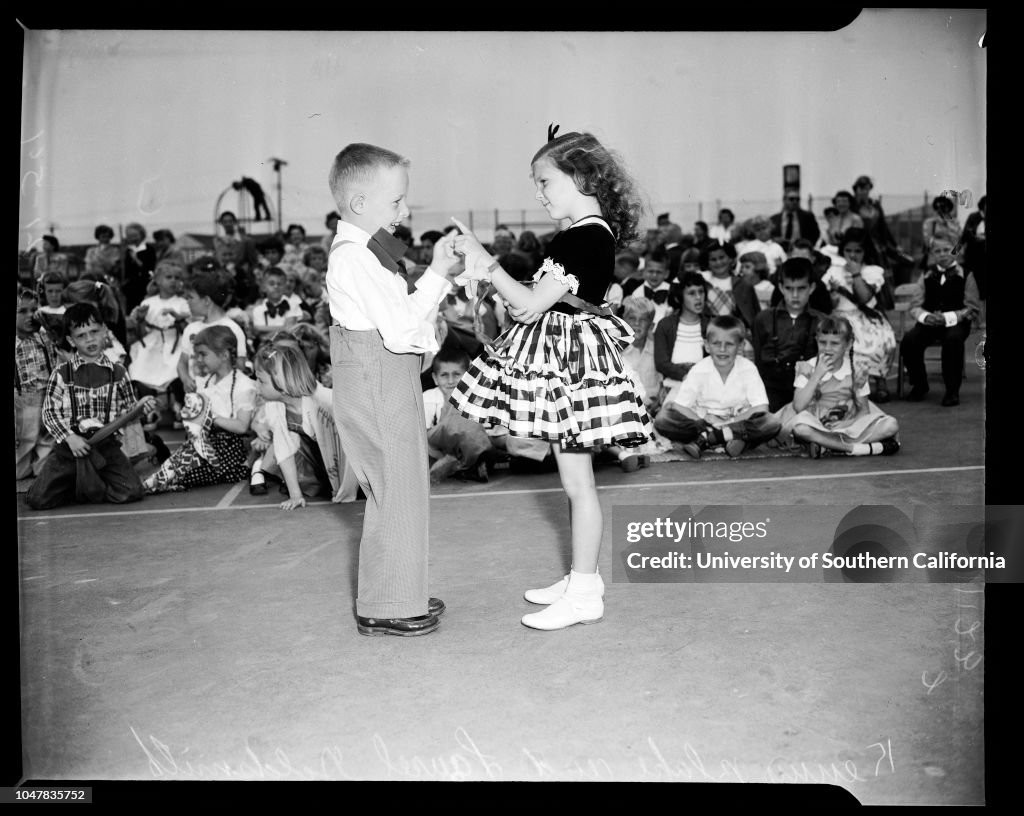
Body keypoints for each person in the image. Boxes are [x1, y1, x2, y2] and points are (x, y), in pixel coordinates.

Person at [449, 127, 651, 631]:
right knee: (573, 482)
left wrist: (485, 260)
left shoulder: (584, 236)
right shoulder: (584, 234)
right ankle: (583, 577)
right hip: (566, 360)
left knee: (579, 485)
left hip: (572, 368)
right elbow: (531, 305)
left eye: (546, 182)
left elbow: (531, 303)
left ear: (582, 177)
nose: (539, 193)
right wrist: (496, 283)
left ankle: (584, 593)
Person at [326, 141, 464, 638]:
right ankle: (385, 605)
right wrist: (438, 275)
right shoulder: (356, 257)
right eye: (397, 202)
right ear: (359, 204)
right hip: (377, 382)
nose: (405, 212)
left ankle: (397, 589)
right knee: (397, 490)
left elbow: (402, 319)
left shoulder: (368, 252)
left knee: (402, 487)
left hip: (386, 377)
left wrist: (435, 276)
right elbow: (403, 330)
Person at [25, 303, 158, 510]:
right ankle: (82, 483)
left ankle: (89, 485)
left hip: (106, 447)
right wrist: (70, 438)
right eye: (81, 335)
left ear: (104, 330)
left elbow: (129, 409)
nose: (89, 339)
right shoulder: (62, 373)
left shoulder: (119, 372)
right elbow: (49, 413)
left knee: (132, 490)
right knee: (38, 500)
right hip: (70, 447)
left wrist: (143, 407)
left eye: (94, 332)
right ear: (71, 340)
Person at [143, 325, 256, 493]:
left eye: (203, 354)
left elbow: (241, 426)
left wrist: (209, 417)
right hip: (206, 444)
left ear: (224, 355)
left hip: (231, 451)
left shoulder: (243, 385)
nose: (198, 359)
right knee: (177, 463)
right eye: (197, 355)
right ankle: (155, 482)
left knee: (188, 470)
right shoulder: (206, 382)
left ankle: (160, 483)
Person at [248, 337, 358, 507]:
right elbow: (284, 449)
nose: (257, 385)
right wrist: (295, 495)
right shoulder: (275, 407)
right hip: (328, 460)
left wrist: (347, 490)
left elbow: (353, 448)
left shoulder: (326, 402)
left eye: (261, 381)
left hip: (357, 460)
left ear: (282, 382)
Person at [653, 315, 781, 459]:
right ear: (707, 345)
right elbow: (680, 406)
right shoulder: (699, 370)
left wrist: (730, 423)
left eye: (729, 344)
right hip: (705, 423)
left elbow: (761, 408)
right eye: (716, 343)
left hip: (738, 422)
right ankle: (727, 438)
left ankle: (710, 439)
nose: (722, 349)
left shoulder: (748, 369)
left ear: (741, 346)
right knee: (663, 419)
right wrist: (705, 420)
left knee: (772, 422)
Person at [776, 315, 900, 458]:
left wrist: (848, 424)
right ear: (816, 341)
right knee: (800, 428)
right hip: (815, 423)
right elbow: (798, 406)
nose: (827, 349)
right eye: (823, 342)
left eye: (835, 343)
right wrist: (817, 375)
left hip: (847, 425)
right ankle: (855, 448)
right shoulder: (807, 367)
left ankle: (827, 445)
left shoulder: (856, 371)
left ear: (848, 344)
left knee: (891, 425)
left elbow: (864, 410)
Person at [899, 237, 980, 406]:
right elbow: (915, 305)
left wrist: (948, 317)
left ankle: (952, 390)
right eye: (937, 251)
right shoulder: (926, 274)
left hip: (956, 323)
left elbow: (972, 308)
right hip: (930, 322)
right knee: (909, 340)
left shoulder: (966, 274)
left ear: (955, 251)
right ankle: (920, 383)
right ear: (932, 254)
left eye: (947, 250)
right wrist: (926, 317)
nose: (942, 254)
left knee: (953, 341)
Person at [820, 228, 897, 402]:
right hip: (839, 317)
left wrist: (855, 274)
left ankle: (879, 380)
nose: (852, 255)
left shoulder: (872, 271)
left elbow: (864, 297)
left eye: (858, 251)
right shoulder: (834, 270)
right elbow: (828, 304)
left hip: (866, 317)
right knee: (844, 342)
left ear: (865, 252)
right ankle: (846, 385)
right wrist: (832, 294)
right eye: (848, 251)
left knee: (882, 341)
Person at [752, 257, 824, 412]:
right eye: (789, 288)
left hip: (808, 390)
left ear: (812, 288)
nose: (795, 295)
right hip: (771, 390)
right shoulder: (763, 319)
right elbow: (757, 362)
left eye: (801, 288)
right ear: (781, 287)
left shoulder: (822, 322)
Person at [127, 260, 190, 421]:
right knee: (140, 367)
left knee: (177, 367)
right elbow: (142, 332)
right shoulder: (148, 302)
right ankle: (151, 408)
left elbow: (186, 328)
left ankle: (179, 404)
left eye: (177, 277)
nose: (173, 281)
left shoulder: (182, 303)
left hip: (174, 340)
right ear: (158, 280)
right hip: (153, 342)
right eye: (169, 277)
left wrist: (178, 318)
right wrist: (140, 319)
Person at [177, 262, 249, 400]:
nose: (187, 302)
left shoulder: (232, 328)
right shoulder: (191, 328)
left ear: (206, 300)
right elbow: (182, 363)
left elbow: (240, 366)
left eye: (191, 297)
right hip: (196, 397)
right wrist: (186, 379)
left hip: (224, 397)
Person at [423, 346, 495, 484]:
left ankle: (462, 466)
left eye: (457, 374)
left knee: (470, 426)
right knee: (453, 422)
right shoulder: (428, 398)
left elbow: (484, 435)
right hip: (437, 449)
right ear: (435, 378)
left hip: (472, 446)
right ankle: (461, 466)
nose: (450, 381)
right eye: (444, 375)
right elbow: (424, 440)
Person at [15, 288, 59, 482]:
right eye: (22, 311)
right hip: (24, 398)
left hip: (48, 395)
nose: (30, 316)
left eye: (34, 310)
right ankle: (23, 468)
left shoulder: (43, 336)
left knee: (47, 437)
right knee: (26, 437)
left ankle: (42, 468)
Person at [653, 271, 710, 403]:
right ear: (679, 298)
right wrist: (685, 375)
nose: (698, 297)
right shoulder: (665, 325)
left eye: (701, 292)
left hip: (704, 388)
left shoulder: (710, 325)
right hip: (674, 387)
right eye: (691, 293)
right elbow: (661, 363)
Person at [249, 266, 304, 348]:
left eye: (280, 284)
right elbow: (260, 335)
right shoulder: (258, 309)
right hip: (267, 348)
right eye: (271, 284)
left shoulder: (292, 304)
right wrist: (283, 328)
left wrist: (266, 330)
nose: (276, 286)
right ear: (264, 287)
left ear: (285, 286)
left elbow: (290, 330)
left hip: (289, 347)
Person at [120, 222, 156, 312]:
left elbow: (150, 268)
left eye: (135, 235)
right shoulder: (127, 250)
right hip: (130, 288)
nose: (133, 239)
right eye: (130, 236)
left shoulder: (149, 249)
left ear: (142, 235)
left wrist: (136, 260)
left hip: (144, 286)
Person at [921, 194, 962, 270]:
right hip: (935, 260)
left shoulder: (955, 222)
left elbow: (959, 242)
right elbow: (928, 242)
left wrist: (953, 255)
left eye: (944, 207)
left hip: (952, 259)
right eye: (939, 208)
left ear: (949, 208)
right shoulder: (930, 222)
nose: (942, 210)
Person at [961, 195, 986, 307]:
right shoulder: (973, 217)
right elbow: (965, 235)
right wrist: (954, 253)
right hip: (973, 258)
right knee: (973, 285)